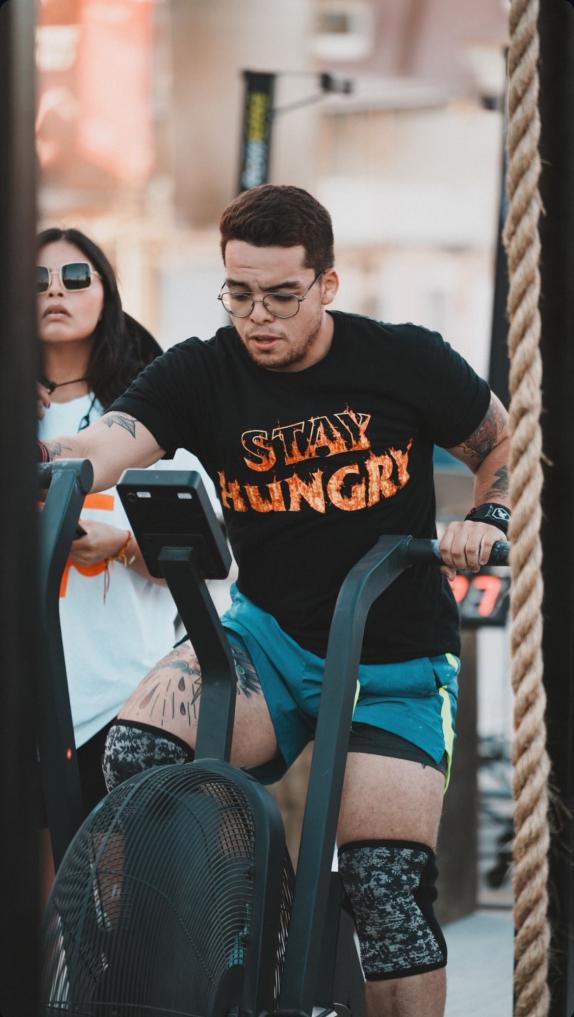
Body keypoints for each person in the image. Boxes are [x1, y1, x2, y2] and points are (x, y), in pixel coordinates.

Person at [38, 186, 511, 1017]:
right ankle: (266, 942)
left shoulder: (403, 357)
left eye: (283, 296)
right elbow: (113, 437)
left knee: (385, 890)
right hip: (271, 641)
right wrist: (58, 458)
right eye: (240, 292)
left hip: (397, 659)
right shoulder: (204, 369)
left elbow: (499, 442)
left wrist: (488, 515)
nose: (259, 316)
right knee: (140, 757)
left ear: (327, 283)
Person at [37, 227, 180, 816]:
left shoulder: (149, 414)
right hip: (25, 692)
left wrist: (120, 544)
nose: (55, 291)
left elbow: (201, 559)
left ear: (107, 292)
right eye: (36, 280)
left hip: (123, 695)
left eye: (75, 277)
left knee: (112, 862)